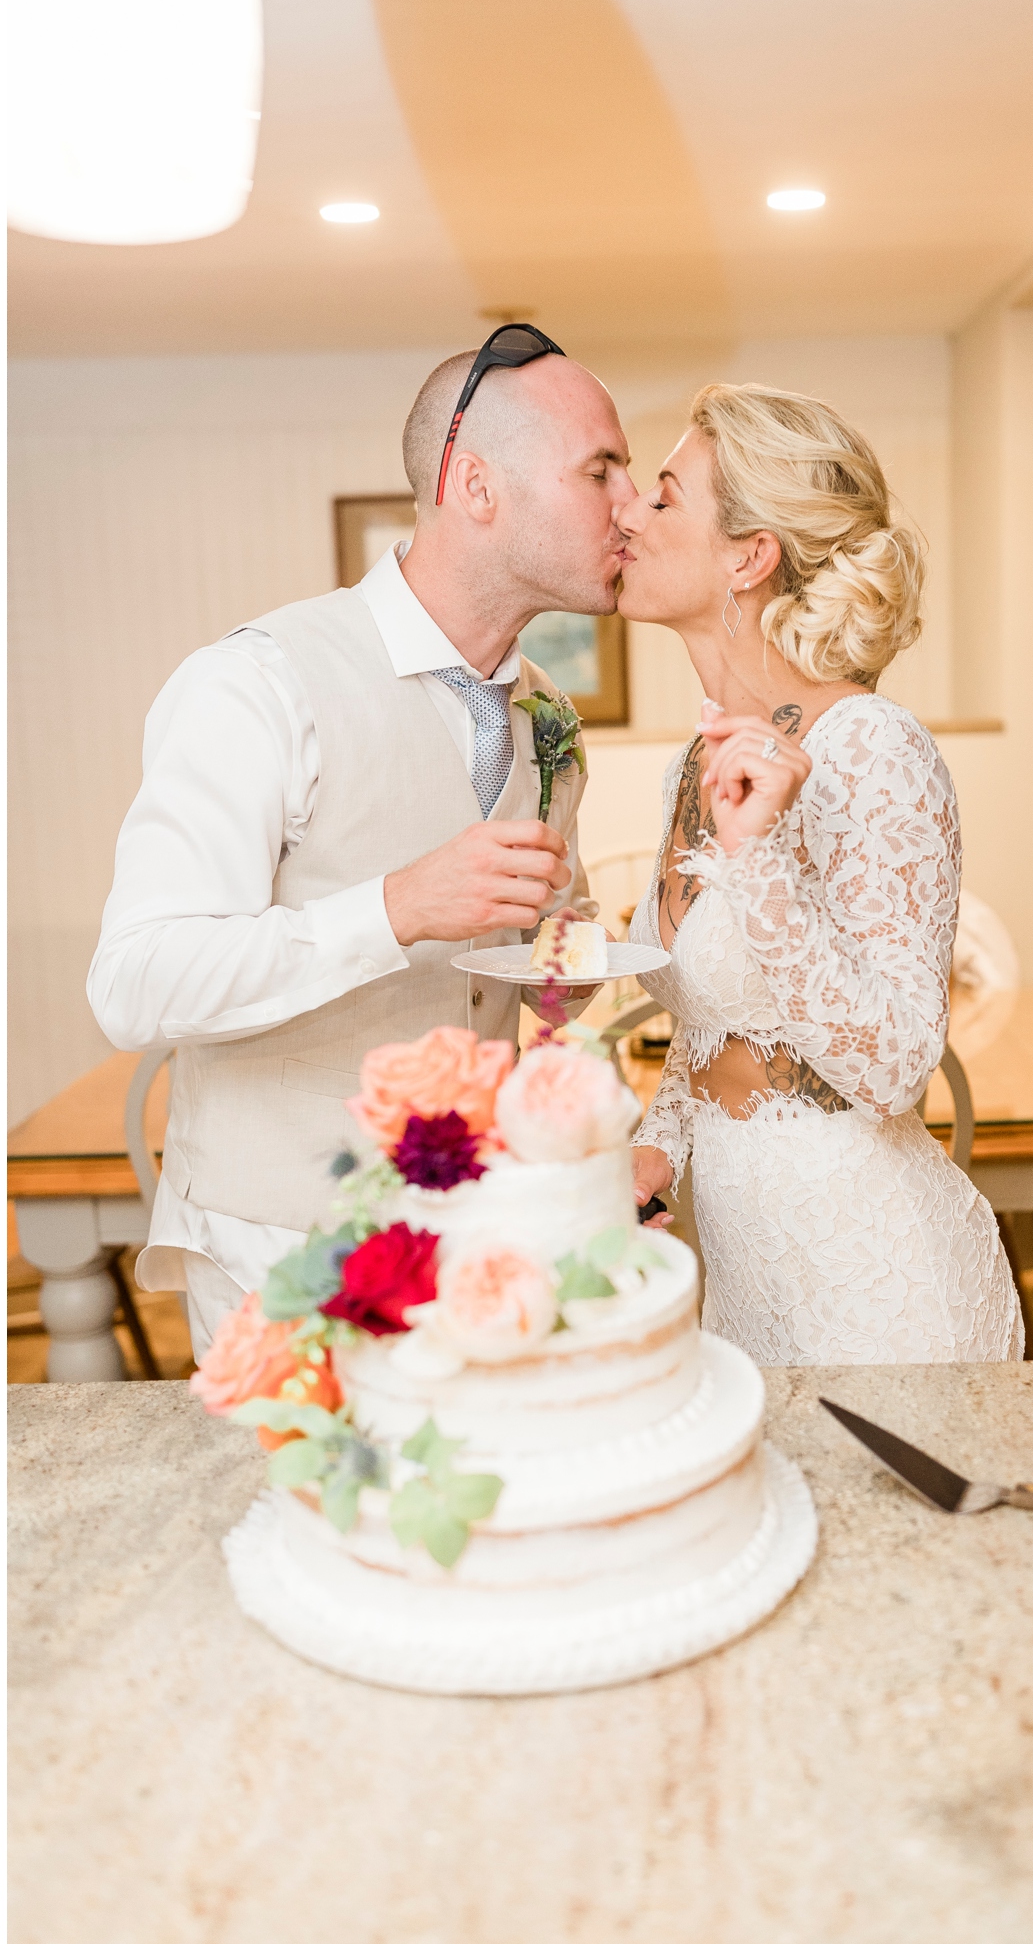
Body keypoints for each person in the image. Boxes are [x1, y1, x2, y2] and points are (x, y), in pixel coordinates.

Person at [89, 327, 635, 1358]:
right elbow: (134, 981)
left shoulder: (548, 715)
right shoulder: (257, 683)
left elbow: (531, 987)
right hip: (281, 1252)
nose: (630, 502)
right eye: (598, 468)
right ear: (475, 485)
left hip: (473, 1241)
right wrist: (396, 907)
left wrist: (599, 944)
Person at [615, 383, 1023, 1363]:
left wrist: (757, 866)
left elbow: (890, 1063)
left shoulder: (873, 750)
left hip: (880, 1293)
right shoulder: (692, 761)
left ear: (748, 556)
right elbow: (718, 1025)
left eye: (664, 496)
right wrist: (653, 1148)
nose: (628, 511)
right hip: (747, 1294)